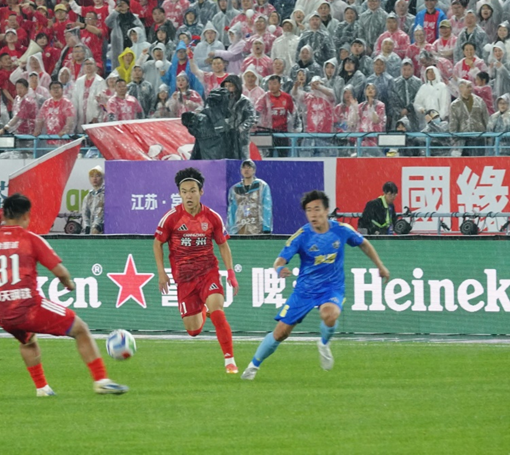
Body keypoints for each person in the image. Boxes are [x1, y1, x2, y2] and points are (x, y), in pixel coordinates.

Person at [0, 194, 127, 396]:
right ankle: (101, 380)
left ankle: (42, 389)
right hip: (28, 308)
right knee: (80, 329)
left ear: (4, 216)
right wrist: (68, 283)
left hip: (1, 312)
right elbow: (60, 271)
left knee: (27, 341)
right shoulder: (30, 239)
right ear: (25, 215)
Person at [241, 190, 390, 380]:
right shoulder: (302, 236)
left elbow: (364, 243)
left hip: (331, 288)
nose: (313, 214)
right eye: (309, 210)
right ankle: (253, 366)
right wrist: (280, 269)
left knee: (330, 314)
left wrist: (380, 266)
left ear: (326, 211)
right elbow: (279, 261)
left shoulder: (341, 230)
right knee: (281, 333)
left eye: (317, 209)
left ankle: (324, 343)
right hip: (304, 291)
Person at [153, 167, 239, 374]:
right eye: (184, 192)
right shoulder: (171, 218)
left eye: (192, 191)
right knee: (193, 331)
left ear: (201, 192)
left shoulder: (212, 217)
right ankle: (201, 309)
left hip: (208, 272)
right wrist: (162, 273)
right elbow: (157, 243)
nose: (188, 196)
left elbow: (223, 245)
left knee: (217, 312)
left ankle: (230, 360)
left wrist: (230, 273)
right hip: (184, 278)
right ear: (179, 194)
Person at [227, 159, 273, 235]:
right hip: (240, 230)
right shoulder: (235, 189)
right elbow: (232, 211)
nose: (246, 170)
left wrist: (266, 228)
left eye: (249, 167)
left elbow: (266, 207)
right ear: (241, 171)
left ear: (254, 170)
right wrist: (232, 230)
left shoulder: (262, 186)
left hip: (258, 229)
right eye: (244, 168)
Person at [81, 165, 105, 234]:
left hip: (103, 231)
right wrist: (87, 226)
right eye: (92, 176)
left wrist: (97, 226)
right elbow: (85, 214)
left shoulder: (106, 194)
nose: (94, 178)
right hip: (92, 232)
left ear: (102, 178)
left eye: (97, 176)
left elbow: (101, 212)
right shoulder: (88, 196)